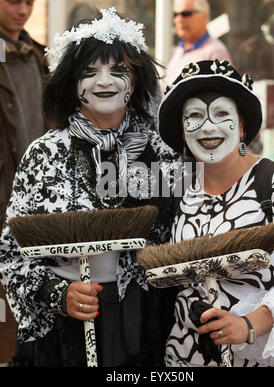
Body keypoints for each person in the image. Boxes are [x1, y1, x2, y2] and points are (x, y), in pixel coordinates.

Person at [0, 8, 180, 367]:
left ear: (137, 79)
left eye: (119, 70)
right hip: (65, 332)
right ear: (70, 82)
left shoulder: (162, 152)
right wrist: (59, 294)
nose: (105, 81)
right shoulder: (45, 153)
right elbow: (10, 253)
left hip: (143, 325)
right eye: (89, 71)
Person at [157, 59, 274, 367]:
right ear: (182, 132)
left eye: (222, 114)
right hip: (184, 359)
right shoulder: (179, 191)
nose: (208, 126)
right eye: (194, 116)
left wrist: (248, 325)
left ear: (243, 124)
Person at [0, 0, 49, 365]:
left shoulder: (38, 55)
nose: (23, 9)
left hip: (39, 199)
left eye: (29, 2)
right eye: (14, 1)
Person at [162, 0, 233, 89]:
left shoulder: (215, 52)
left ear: (204, 16)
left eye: (186, 14)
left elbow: (224, 94)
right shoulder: (180, 49)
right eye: (175, 14)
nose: (178, 19)